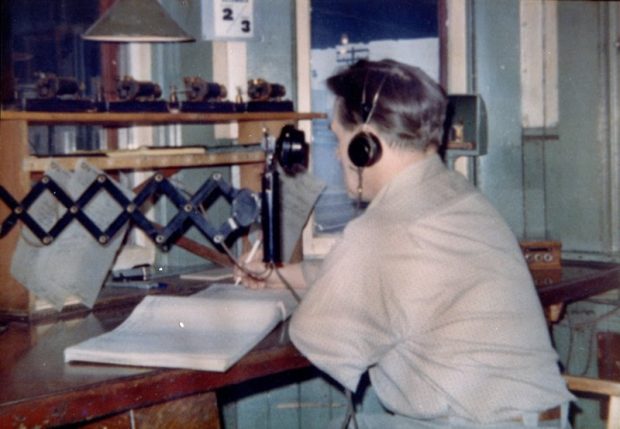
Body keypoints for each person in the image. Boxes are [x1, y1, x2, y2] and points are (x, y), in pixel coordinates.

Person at [237, 59, 573, 428]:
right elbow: (397, 276)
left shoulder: (384, 229)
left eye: (339, 138)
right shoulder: (455, 194)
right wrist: (289, 275)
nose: (336, 153)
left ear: (365, 145)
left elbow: (315, 334)